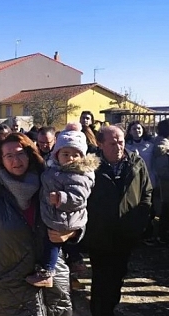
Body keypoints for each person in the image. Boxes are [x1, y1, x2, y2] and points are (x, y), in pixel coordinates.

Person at [0, 132, 76, 315]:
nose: (16, 160)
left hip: (53, 280)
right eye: (9, 156)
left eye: (21, 153)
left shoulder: (50, 185)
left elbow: (78, 214)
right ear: (1, 160)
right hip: (10, 284)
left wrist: (72, 233)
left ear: (30, 154)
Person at [83, 125, 152, 316]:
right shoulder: (91, 167)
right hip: (100, 236)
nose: (118, 147)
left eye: (120, 142)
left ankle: (109, 308)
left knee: (118, 278)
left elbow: (147, 192)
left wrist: (140, 220)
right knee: (101, 280)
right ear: (100, 144)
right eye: (112, 143)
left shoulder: (136, 163)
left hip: (126, 233)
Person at [26, 124, 99, 287]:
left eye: (75, 155)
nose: (71, 158)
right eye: (66, 154)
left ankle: (47, 272)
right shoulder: (54, 167)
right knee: (50, 242)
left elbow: (79, 196)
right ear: (57, 154)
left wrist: (61, 197)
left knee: (52, 243)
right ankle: (69, 263)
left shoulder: (80, 174)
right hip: (55, 213)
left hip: (65, 217)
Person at [153, 119, 169, 244]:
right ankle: (163, 235)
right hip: (165, 183)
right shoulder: (162, 145)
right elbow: (162, 169)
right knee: (166, 208)